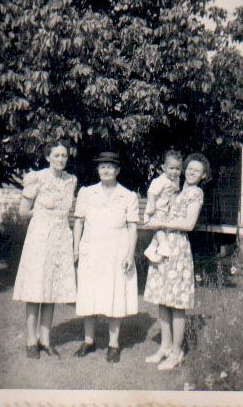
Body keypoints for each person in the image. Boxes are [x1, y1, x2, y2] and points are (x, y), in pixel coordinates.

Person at [144, 153, 211, 370]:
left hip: (178, 249)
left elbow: (189, 224)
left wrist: (163, 221)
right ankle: (164, 347)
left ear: (203, 175)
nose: (191, 172)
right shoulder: (178, 190)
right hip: (165, 246)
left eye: (196, 170)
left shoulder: (196, 193)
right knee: (163, 300)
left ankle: (176, 352)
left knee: (176, 303)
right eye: (189, 168)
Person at [13, 140, 77, 359]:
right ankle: (31, 341)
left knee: (52, 290)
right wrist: (42, 214)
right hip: (40, 238)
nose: (60, 159)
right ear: (48, 157)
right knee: (36, 290)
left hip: (61, 238)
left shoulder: (71, 181)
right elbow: (23, 211)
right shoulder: (37, 178)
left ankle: (45, 340)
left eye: (64, 155)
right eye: (56, 155)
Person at [73, 151, 139, 363]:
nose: (106, 170)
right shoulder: (87, 193)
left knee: (114, 295)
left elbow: (132, 228)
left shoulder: (128, 196)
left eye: (110, 166)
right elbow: (79, 223)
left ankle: (113, 344)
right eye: (102, 166)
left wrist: (130, 253)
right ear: (98, 169)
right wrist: (76, 249)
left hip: (116, 251)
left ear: (117, 170)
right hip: (91, 250)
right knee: (89, 294)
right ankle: (89, 341)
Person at [143, 150, 182, 263]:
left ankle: (151, 249)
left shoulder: (176, 180)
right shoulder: (160, 181)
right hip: (155, 209)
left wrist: (173, 206)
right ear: (164, 168)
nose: (174, 172)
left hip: (165, 210)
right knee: (160, 227)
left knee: (162, 228)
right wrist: (151, 206)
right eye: (171, 168)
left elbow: (175, 193)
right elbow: (151, 193)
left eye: (177, 169)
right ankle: (163, 245)